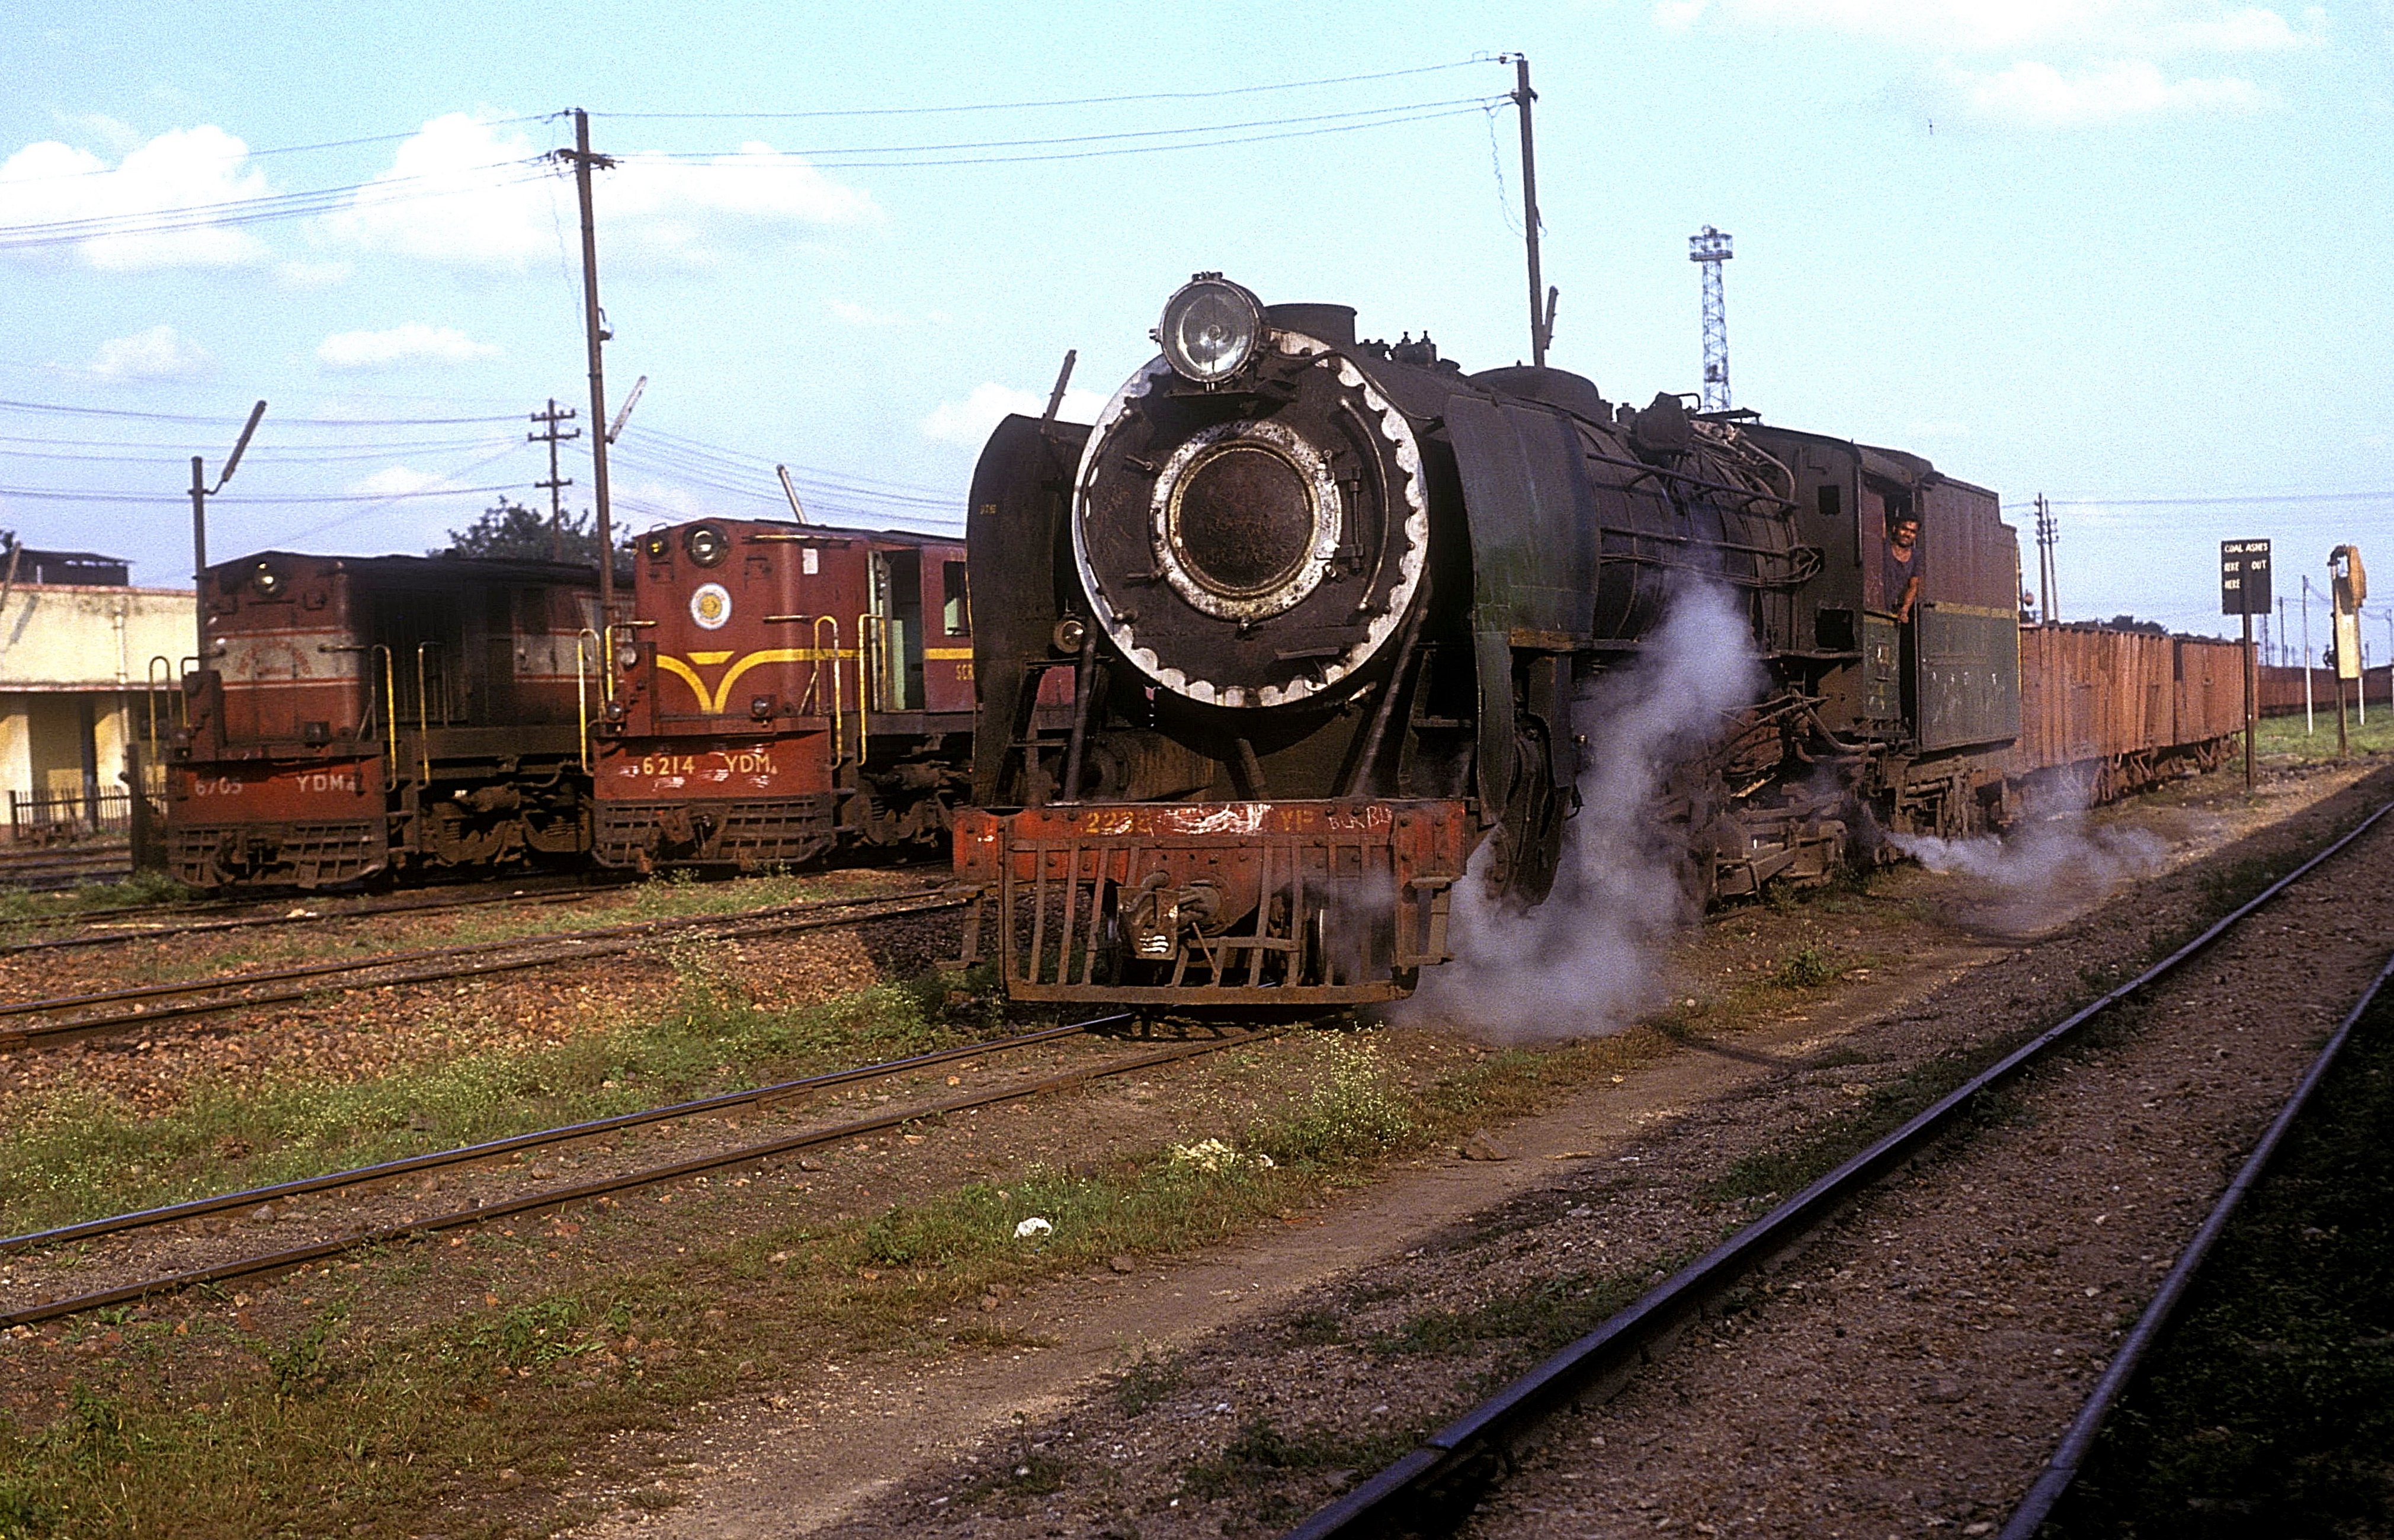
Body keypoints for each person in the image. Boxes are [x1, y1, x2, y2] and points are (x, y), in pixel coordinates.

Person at [1883, 512, 1921, 623]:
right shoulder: (1884, 548)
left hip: (1890, 608)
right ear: (1896, 528)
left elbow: (1913, 586)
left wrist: (1905, 610)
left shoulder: (1915, 557)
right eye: (1905, 529)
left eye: (1913, 532)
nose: (1908, 534)